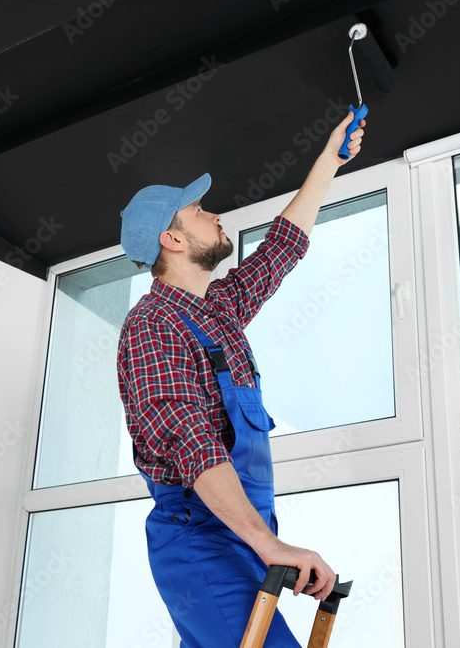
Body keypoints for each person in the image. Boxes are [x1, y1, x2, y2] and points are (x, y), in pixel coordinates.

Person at [116, 111, 365, 647]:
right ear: (173, 240)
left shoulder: (218, 310)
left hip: (244, 540)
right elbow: (194, 443)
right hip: (200, 542)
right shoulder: (151, 326)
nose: (216, 215)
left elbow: (282, 248)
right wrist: (270, 547)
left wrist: (329, 159)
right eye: (200, 211)